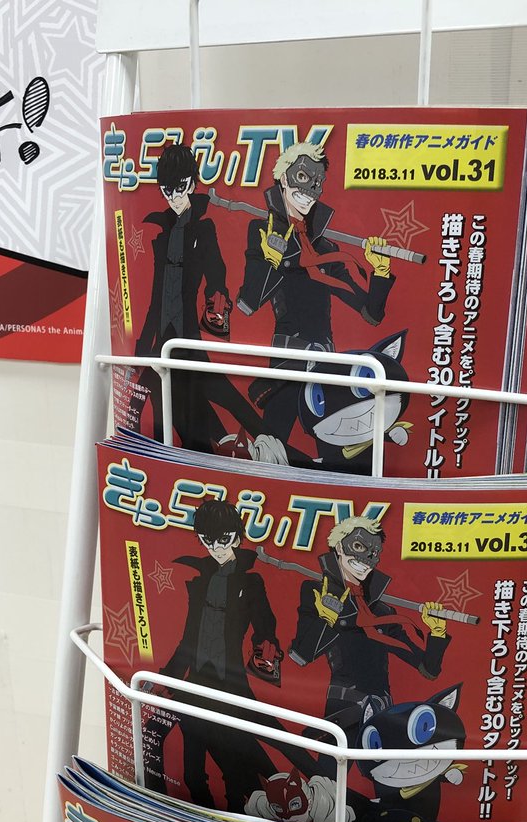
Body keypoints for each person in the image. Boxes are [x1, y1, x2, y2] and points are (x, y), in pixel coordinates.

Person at [237, 141, 394, 443]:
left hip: (325, 367)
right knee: (272, 445)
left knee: (334, 447)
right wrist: (271, 261)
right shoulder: (262, 230)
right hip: (287, 364)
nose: (310, 191)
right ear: (284, 178)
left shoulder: (325, 247)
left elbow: (370, 313)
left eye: (317, 183)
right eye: (302, 178)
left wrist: (380, 271)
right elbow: (248, 303)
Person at [131, 143, 266, 451]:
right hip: (161, 342)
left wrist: (217, 296)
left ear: (192, 184)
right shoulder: (161, 233)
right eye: (167, 190)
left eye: (180, 188)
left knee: (223, 396)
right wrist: (140, 350)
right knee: (156, 402)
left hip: (188, 337)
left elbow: (216, 270)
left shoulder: (203, 228)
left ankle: (279, 452)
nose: (174, 197)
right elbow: (155, 298)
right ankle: (171, 455)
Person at [158, 499, 285, 811]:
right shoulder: (200, 582)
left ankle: (236, 816)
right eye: (208, 540)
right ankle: (194, 817)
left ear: (237, 538)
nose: (216, 547)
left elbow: (265, 623)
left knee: (234, 769)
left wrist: (266, 644)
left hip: (229, 684)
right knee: (191, 772)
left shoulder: (250, 581)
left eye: (223, 540)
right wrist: (168, 678)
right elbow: (188, 636)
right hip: (194, 682)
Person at [288, 516, 451, 752]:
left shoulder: (382, 612)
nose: (366, 560)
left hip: (382, 714)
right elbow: (301, 655)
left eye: (374, 553)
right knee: (330, 771)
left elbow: (428, 669)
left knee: (389, 774)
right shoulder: (317, 592)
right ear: (339, 547)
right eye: (358, 546)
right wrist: (327, 621)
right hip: (344, 709)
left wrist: (437, 632)